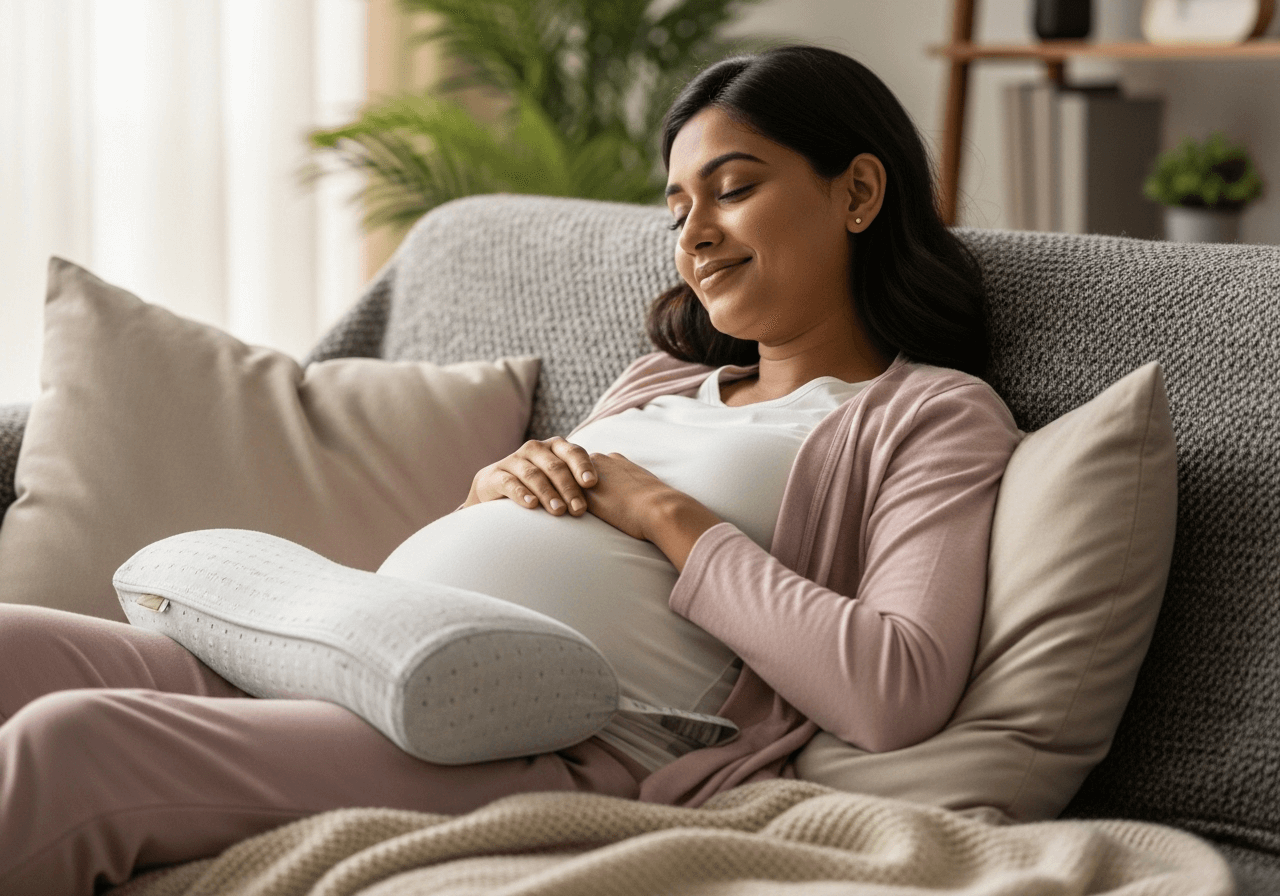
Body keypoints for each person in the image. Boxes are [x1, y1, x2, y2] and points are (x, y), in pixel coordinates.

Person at [0, 45, 1021, 894]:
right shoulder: (657, 382)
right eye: (676, 209)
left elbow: (893, 684)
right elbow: (528, 549)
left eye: (733, 189)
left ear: (856, 190)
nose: (694, 235)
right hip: (350, 649)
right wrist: (497, 488)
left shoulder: (927, 412)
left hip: (525, 740)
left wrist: (663, 513)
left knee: (75, 744)